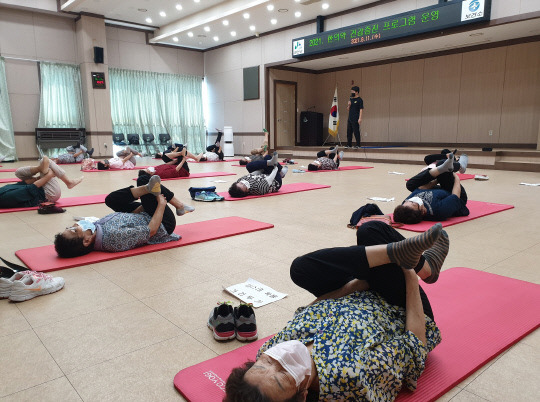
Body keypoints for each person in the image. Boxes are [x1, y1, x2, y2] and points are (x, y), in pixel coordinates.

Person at [225, 222, 447, 401]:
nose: (280, 359)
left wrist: (358, 282)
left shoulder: (269, 350)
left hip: (360, 290)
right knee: (372, 231)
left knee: (301, 269)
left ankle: (407, 258)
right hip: (403, 306)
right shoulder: (353, 378)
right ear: (302, 396)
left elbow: (311, 310)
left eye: (265, 364)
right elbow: (415, 342)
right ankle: (421, 267)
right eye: (282, 377)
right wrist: (408, 272)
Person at [53, 174, 194, 257]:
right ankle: (179, 206)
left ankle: (150, 190)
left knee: (111, 200)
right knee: (144, 178)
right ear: (86, 241)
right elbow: (151, 230)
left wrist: (144, 205)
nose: (75, 226)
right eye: (73, 230)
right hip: (161, 223)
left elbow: (128, 219)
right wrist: (160, 205)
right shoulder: (113, 238)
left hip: (141, 215)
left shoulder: (96, 231)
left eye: (70, 227)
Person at [393, 153, 469, 224]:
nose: (412, 200)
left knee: (410, 184)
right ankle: (460, 165)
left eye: (408, 201)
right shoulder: (439, 211)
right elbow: (455, 196)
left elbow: (420, 189)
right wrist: (456, 178)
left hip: (437, 190)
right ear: (422, 211)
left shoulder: (406, 205)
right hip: (453, 192)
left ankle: (442, 168)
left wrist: (437, 178)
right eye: (413, 203)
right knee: (441, 163)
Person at [0, 156, 83, 209]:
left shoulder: (2, 191)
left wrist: (40, 176)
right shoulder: (6, 198)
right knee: (47, 161)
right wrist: (48, 175)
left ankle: (41, 168)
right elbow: (32, 188)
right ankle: (68, 182)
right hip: (49, 194)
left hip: (38, 188)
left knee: (18, 172)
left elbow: (24, 183)